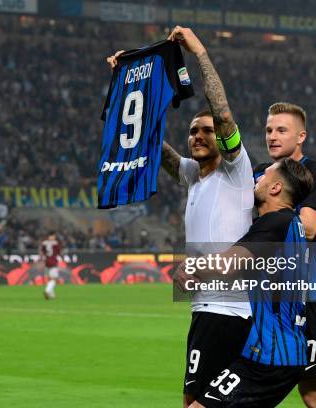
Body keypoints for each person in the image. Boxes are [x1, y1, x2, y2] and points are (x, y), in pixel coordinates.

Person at [109, 26, 254, 407]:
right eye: (192, 131)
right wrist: (124, 86)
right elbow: (150, 140)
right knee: (191, 399)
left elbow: (221, 110)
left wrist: (199, 53)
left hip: (229, 309)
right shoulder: (193, 175)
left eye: (206, 131)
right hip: (203, 306)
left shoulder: (236, 170)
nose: (198, 136)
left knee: (196, 404)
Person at [182, 158, 315, 407]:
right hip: (285, 352)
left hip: (268, 358)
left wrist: (190, 265)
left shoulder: (274, 223)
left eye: (263, 176)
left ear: (275, 188)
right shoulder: (293, 225)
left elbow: (228, 265)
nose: (256, 180)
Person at [254, 102, 316, 408]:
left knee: (314, 393)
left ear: (300, 136)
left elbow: (310, 227)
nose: (272, 136)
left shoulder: (313, 171)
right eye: (268, 130)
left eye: (281, 130)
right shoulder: (259, 174)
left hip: (305, 297)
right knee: (246, 380)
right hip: (264, 298)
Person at [40, 231, 62, 299]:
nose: (53, 237)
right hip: (53, 262)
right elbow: (59, 252)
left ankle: (52, 296)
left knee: (50, 279)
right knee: (54, 279)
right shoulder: (56, 243)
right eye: (53, 236)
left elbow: (42, 252)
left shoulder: (44, 243)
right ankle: (47, 290)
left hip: (46, 262)